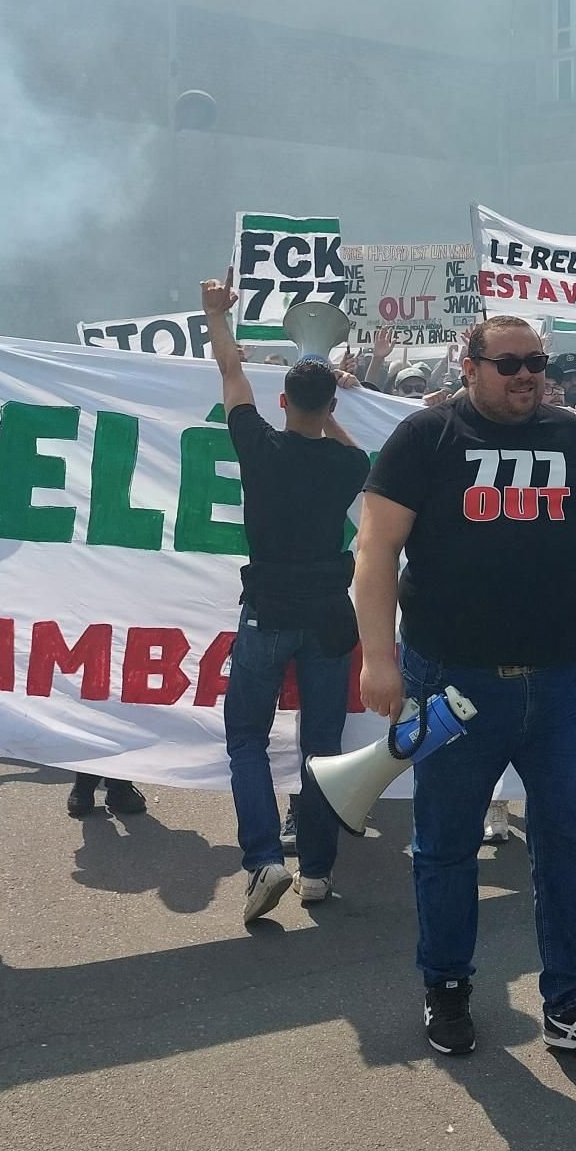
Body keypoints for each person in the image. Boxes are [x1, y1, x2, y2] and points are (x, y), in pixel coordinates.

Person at [354, 314, 576, 1060]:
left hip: (564, 685)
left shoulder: (572, 437)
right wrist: (377, 656)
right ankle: (447, 988)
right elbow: (377, 547)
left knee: (572, 844)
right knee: (447, 848)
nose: (526, 375)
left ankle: (573, 1005)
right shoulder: (428, 438)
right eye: (509, 362)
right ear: (471, 363)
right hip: (454, 682)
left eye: (536, 362)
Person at [184, 274, 374, 920]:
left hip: (268, 611)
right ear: (328, 405)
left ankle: (264, 858)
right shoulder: (347, 465)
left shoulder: (259, 448)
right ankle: (317, 871)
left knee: (246, 741)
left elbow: (231, 372)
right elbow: (360, 456)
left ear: (284, 398)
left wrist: (216, 314)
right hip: (329, 616)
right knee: (323, 748)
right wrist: (331, 408)